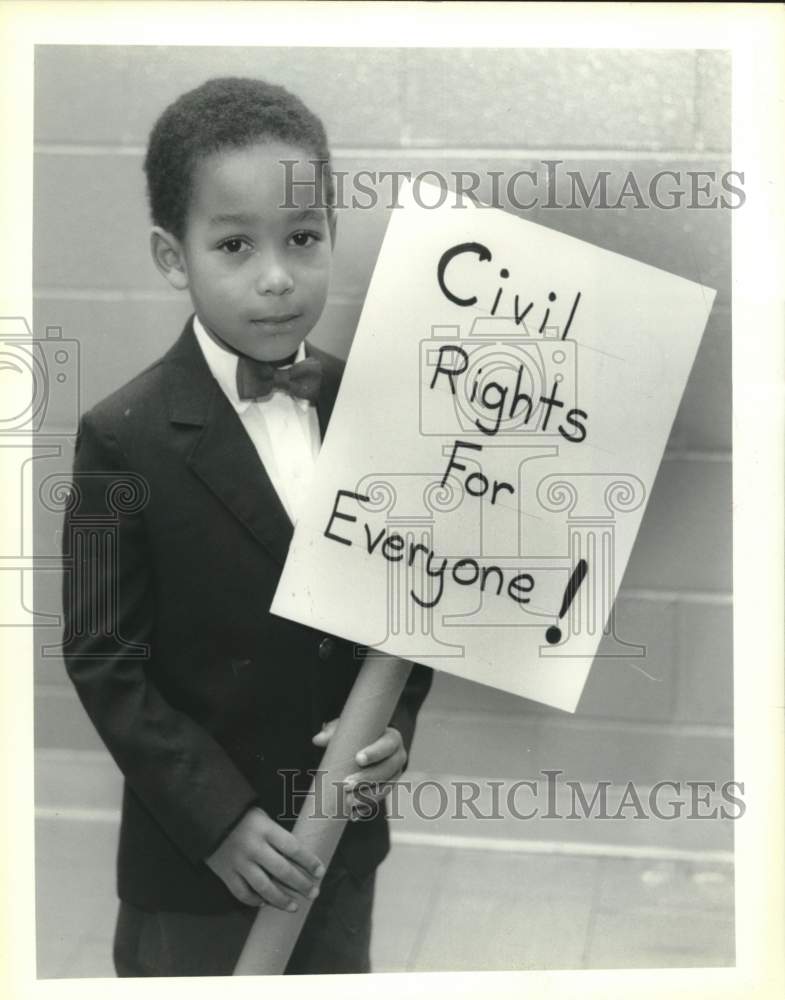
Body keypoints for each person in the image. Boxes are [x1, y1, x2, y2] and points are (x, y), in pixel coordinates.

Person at [61, 76, 433, 977]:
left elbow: (419, 593)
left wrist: (396, 724)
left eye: (303, 240)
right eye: (234, 244)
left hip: (338, 845)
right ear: (170, 255)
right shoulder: (122, 435)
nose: (276, 276)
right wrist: (218, 822)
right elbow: (104, 658)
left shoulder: (380, 404)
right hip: (197, 868)